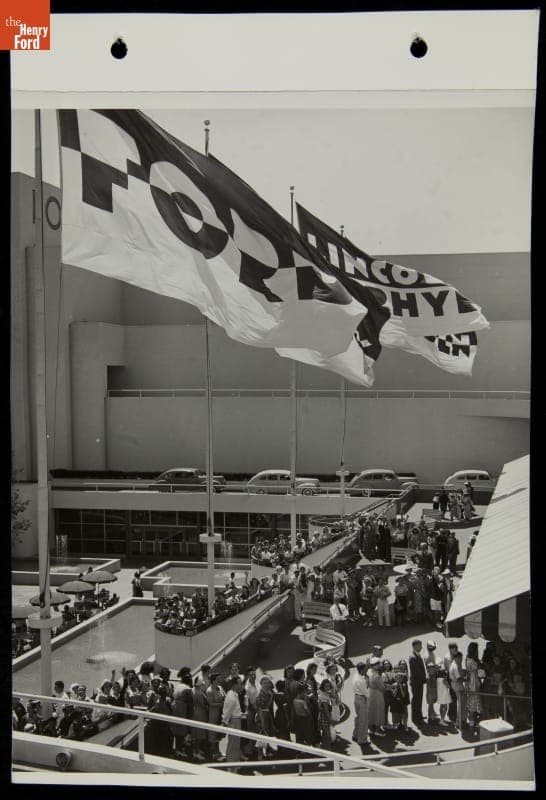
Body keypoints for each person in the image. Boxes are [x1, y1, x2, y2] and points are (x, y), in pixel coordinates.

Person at [222, 676, 244, 768]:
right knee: (233, 742)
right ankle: (230, 763)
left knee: (236, 742)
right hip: (234, 721)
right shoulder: (231, 696)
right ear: (235, 685)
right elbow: (227, 712)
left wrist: (241, 714)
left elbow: (234, 710)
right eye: (240, 684)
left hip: (237, 719)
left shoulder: (234, 694)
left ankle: (235, 761)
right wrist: (225, 723)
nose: (241, 686)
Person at [206, 673, 225, 761]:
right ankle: (213, 753)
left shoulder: (220, 688)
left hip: (220, 713)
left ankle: (218, 751)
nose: (219, 681)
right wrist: (220, 704)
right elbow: (210, 703)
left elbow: (224, 695)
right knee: (213, 734)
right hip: (213, 714)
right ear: (213, 680)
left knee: (218, 733)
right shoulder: (209, 690)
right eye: (217, 679)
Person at [408, 639, 427, 725]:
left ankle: (419, 716)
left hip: (419, 682)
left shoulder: (417, 655)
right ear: (415, 646)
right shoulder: (413, 657)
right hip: (416, 682)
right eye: (419, 645)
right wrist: (423, 679)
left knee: (419, 699)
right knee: (416, 700)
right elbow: (416, 672)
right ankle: (416, 718)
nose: (421, 647)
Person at [465, 641, 483, 728]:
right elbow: (476, 670)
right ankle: (472, 721)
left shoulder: (467, 658)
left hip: (471, 682)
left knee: (472, 702)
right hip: (473, 682)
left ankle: (472, 721)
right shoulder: (473, 661)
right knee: (473, 702)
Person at [367, 658, 386, 737]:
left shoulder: (368, 672)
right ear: (373, 666)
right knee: (378, 711)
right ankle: (377, 730)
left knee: (371, 711)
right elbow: (381, 687)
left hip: (370, 692)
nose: (378, 665)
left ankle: (371, 729)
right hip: (377, 694)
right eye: (376, 664)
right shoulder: (377, 676)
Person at [390, 661, 411, 731]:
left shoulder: (404, 675)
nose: (403, 666)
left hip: (403, 694)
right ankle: (398, 724)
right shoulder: (393, 676)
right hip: (396, 696)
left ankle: (405, 725)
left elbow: (405, 678)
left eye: (404, 664)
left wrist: (400, 684)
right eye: (401, 665)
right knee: (396, 711)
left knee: (404, 711)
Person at [449, 651, 467, 730]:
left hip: (455, 685)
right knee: (462, 704)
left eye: (461, 658)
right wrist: (467, 678)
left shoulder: (455, 664)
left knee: (462, 704)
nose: (461, 660)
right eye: (460, 658)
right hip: (457, 685)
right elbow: (459, 678)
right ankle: (459, 722)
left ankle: (460, 721)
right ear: (456, 658)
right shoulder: (455, 666)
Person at [424, 641, 439, 724]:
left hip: (433, 676)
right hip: (430, 677)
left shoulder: (431, 653)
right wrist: (434, 668)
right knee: (430, 700)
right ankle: (430, 717)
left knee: (432, 699)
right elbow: (428, 666)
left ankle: (432, 713)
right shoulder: (427, 656)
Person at [317, 679, 334, 749]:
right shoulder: (323, 696)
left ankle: (325, 747)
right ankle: (327, 748)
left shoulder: (324, 693)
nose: (328, 688)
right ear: (323, 687)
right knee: (327, 734)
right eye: (326, 686)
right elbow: (326, 710)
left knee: (325, 733)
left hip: (323, 715)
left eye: (328, 686)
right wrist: (330, 720)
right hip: (325, 716)